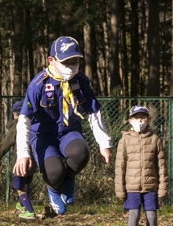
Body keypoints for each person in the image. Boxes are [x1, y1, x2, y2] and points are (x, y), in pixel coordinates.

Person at [13, 36, 112, 215]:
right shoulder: (39, 85)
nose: (72, 66)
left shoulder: (81, 81)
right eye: (66, 62)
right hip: (43, 136)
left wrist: (104, 144)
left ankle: (69, 179)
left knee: (81, 153)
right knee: (54, 171)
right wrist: (23, 154)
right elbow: (24, 120)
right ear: (51, 60)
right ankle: (54, 188)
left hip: (69, 132)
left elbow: (93, 113)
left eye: (75, 61)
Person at [115, 105, 167, 226]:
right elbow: (120, 167)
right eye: (137, 118)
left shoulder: (155, 139)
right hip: (131, 187)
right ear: (130, 120)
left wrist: (162, 187)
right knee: (134, 214)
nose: (140, 121)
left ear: (148, 120)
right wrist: (120, 189)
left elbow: (161, 165)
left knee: (151, 214)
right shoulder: (124, 141)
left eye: (143, 118)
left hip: (151, 187)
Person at [0, 101, 37, 219]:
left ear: (15, 114)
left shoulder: (15, 128)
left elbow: (5, 145)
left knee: (19, 187)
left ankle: (30, 212)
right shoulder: (33, 126)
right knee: (26, 183)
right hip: (32, 162)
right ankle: (23, 205)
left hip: (19, 162)